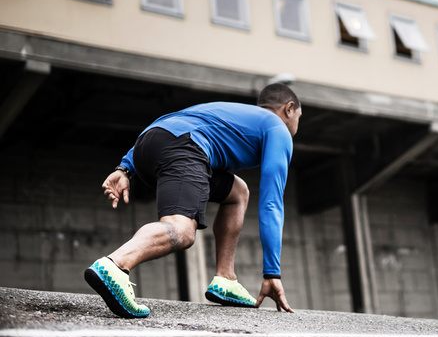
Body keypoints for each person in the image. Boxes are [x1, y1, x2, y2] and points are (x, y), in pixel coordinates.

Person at [84, 83, 301, 318]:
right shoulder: (278, 129)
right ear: (289, 109)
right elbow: (271, 204)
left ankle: (225, 279)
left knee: (238, 192)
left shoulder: (236, 113)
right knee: (183, 230)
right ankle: (116, 264)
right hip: (185, 146)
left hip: (147, 143)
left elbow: (171, 124)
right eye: (299, 116)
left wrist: (125, 168)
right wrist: (272, 274)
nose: (297, 124)